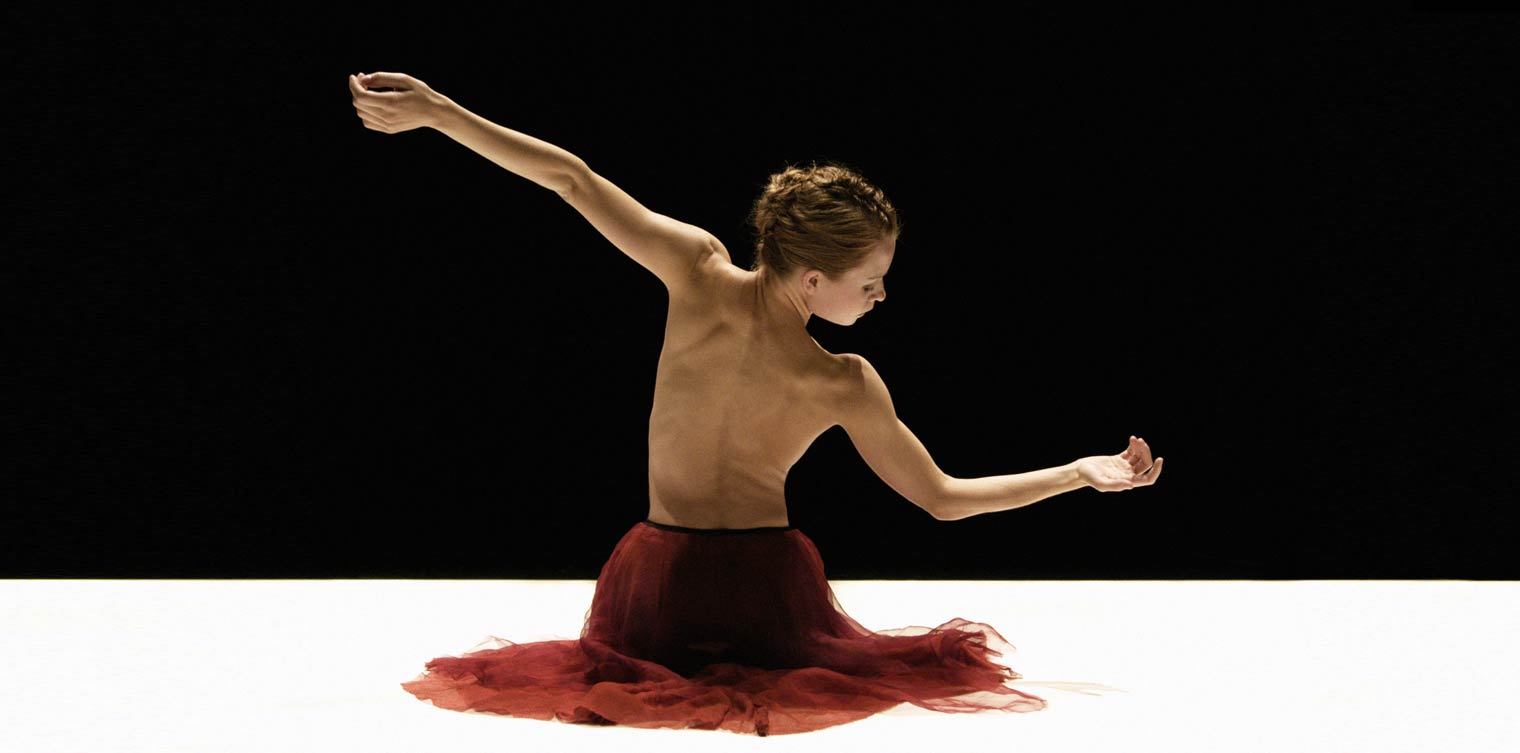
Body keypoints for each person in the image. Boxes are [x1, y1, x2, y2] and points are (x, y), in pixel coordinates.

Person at [352, 71, 1163, 736]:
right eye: (871, 281)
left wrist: (440, 113)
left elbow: (573, 179)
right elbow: (943, 499)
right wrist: (1076, 473)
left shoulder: (714, 285)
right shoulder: (829, 368)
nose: (882, 296)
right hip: (754, 600)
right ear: (812, 278)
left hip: (660, 589)